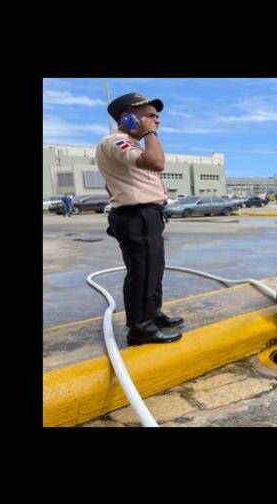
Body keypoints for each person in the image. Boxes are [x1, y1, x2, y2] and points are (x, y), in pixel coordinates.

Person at [95, 92, 184, 346]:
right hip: (136, 215)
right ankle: (140, 327)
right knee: (142, 272)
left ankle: (153, 314)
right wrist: (148, 134)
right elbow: (156, 162)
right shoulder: (116, 142)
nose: (156, 121)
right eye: (149, 116)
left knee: (154, 269)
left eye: (157, 117)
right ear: (128, 118)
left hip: (148, 214)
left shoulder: (132, 145)